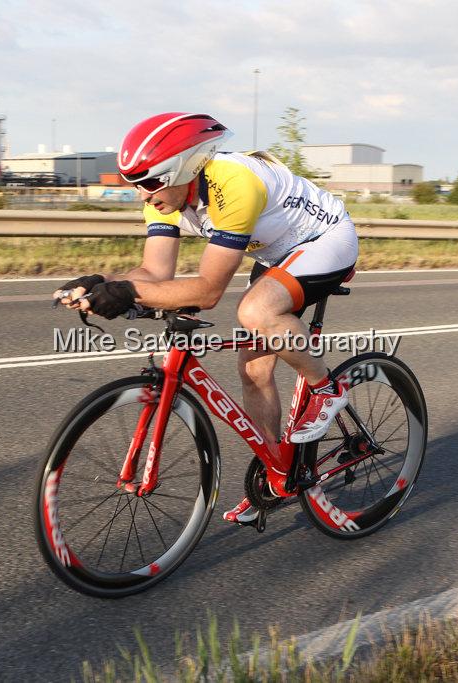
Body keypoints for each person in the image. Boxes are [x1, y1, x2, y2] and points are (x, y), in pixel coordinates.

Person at [54, 112, 358, 525]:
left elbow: (208, 291)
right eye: (135, 185)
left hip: (326, 240)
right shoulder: (166, 198)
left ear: (183, 168)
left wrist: (128, 292)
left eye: (149, 182)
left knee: (256, 311)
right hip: (275, 254)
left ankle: (326, 389)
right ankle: (277, 472)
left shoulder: (233, 182)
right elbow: (155, 275)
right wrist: (100, 284)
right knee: (253, 369)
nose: (143, 196)